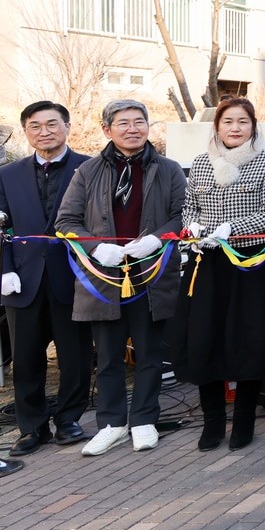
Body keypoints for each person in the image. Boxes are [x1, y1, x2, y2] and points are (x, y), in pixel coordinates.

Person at [55, 99, 187, 456]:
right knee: (109, 355)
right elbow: (65, 221)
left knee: (148, 353)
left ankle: (144, 419)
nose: (133, 129)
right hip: (103, 276)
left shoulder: (170, 169)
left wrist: (156, 239)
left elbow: (181, 216)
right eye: (124, 122)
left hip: (150, 271)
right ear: (106, 129)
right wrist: (97, 248)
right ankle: (112, 423)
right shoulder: (87, 171)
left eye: (139, 121)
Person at [170, 97, 265, 451]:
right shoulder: (202, 164)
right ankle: (212, 422)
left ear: (253, 127)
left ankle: (245, 422)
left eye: (243, 122)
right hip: (206, 263)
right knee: (206, 338)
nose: (235, 128)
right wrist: (192, 228)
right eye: (228, 122)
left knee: (249, 340)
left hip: (250, 262)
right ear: (217, 126)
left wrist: (230, 228)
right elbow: (189, 206)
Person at [0, 101, 92, 456]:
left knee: (76, 356)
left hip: (73, 277)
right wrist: (5, 269)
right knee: (25, 359)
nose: (44, 132)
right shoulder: (7, 174)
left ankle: (69, 420)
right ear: (26, 132)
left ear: (67, 127)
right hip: (22, 281)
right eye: (35, 126)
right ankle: (31, 428)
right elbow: (2, 227)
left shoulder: (90, 167)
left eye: (52, 124)